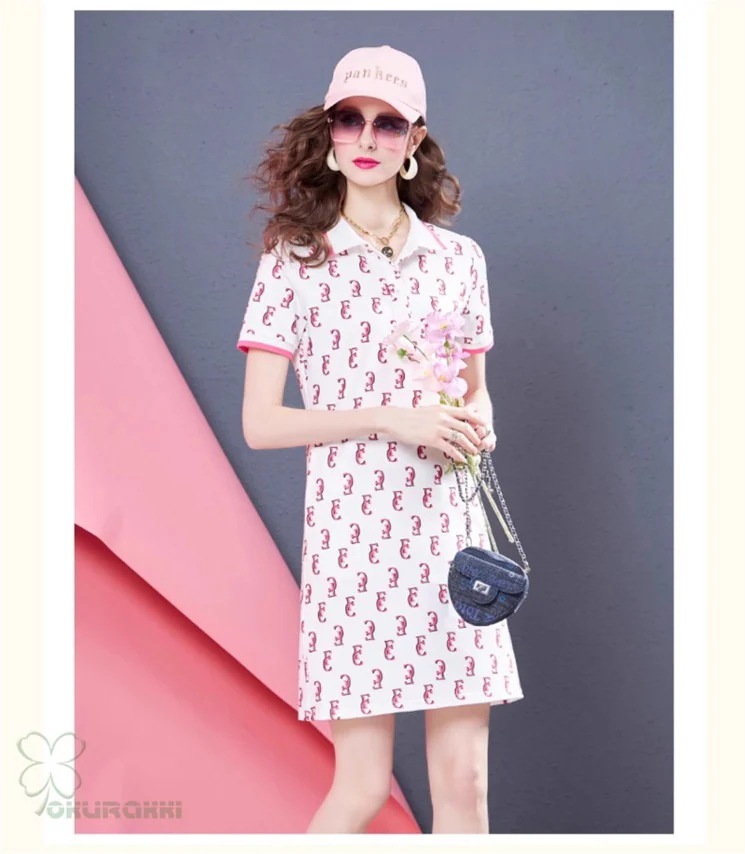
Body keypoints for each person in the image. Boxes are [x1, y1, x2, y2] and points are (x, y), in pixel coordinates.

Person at [236, 44, 524, 834]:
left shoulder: (458, 261)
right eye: (349, 119)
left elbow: (475, 391)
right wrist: (388, 418)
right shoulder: (295, 261)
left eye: (388, 122)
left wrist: (478, 425)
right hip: (355, 543)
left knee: (465, 784)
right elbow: (262, 423)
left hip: (449, 534)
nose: (366, 137)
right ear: (329, 132)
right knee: (362, 787)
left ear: (414, 139)